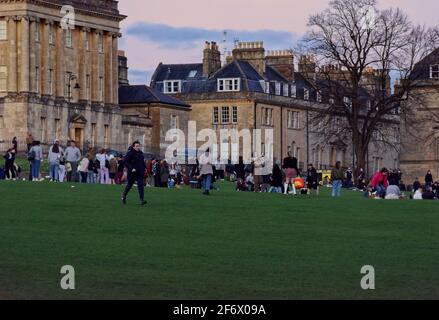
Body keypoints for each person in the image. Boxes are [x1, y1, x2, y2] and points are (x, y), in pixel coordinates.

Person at [122, 141, 147, 205]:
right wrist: (131, 168)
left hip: (139, 172)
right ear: (133, 146)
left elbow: (142, 162)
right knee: (129, 185)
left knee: (141, 185)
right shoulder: (130, 153)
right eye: (136, 146)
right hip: (132, 173)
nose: (138, 147)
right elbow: (125, 161)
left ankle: (142, 200)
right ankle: (123, 196)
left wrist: (145, 168)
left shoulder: (141, 153)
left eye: (139, 146)